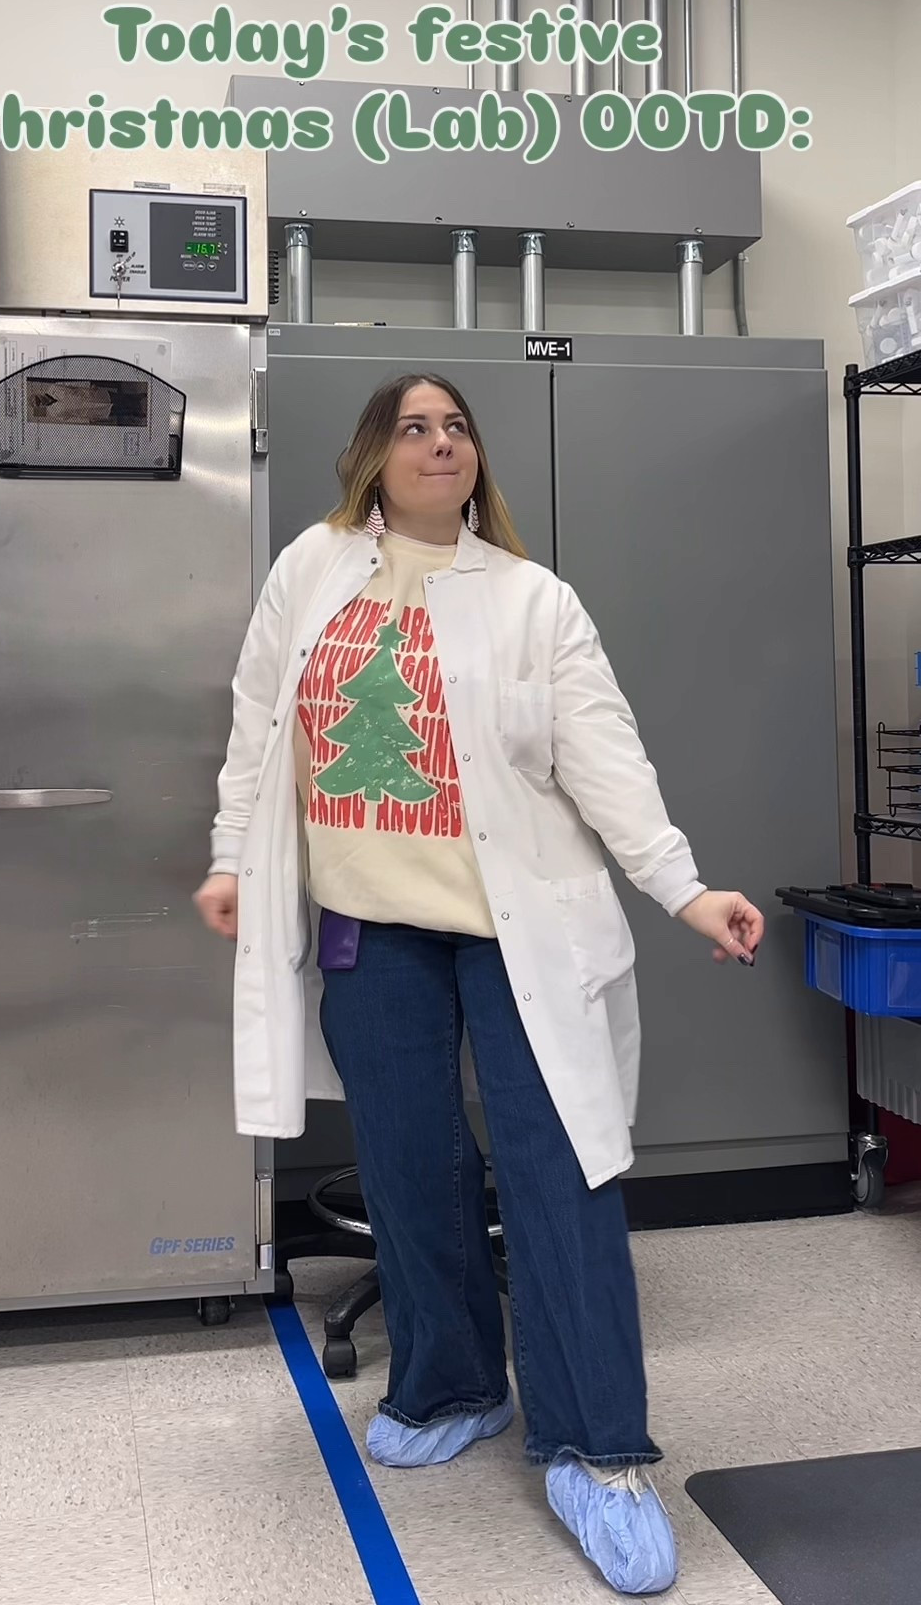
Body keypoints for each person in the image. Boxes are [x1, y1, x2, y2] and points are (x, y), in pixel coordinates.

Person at [195, 372, 764, 1598]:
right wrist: (233, 859)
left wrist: (685, 889)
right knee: (408, 1164)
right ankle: (453, 1382)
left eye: (456, 428)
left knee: (559, 1166)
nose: (439, 442)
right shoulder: (313, 569)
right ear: (374, 457)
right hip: (370, 925)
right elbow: (258, 727)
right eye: (415, 427)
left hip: (520, 931)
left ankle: (599, 1448)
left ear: (475, 459)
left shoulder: (530, 601)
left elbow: (607, 760)